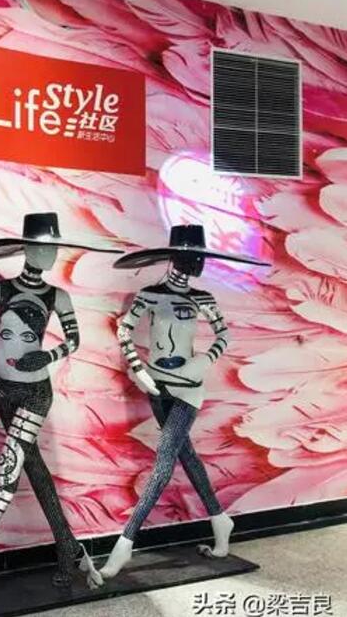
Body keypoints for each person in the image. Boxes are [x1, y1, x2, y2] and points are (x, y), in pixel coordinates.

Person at [0, 213, 122, 605]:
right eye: (43, 246)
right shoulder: (0, 290)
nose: (50, 254)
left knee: (9, 470)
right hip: (4, 390)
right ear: (27, 248)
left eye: (54, 247)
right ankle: (69, 550)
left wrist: (48, 355)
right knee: (34, 469)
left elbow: (74, 339)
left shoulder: (58, 296)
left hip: (37, 392)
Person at [93, 224, 269, 586]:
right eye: (186, 257)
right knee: (186, 456)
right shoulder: (150, 295)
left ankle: (124, 545)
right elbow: (124, 329)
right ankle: (221, 521)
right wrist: (137, 367)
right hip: (155, 385)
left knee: (164, 462)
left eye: (196, 259)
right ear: (172, 257)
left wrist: (204, 360)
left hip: (188, 389)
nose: (191, 265)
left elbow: (224, 335)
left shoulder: (203, 298)